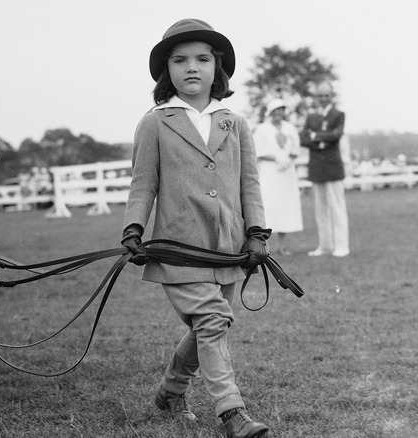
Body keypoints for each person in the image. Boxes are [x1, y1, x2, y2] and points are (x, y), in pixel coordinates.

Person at [121, 18, 270, 438]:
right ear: (165, 70)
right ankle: (231, 412)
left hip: (227, 245)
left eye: (202, 59)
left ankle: (171, 391)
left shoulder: (234, 123)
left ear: (216, 68)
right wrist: (133, 227)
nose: (192, 67)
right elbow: (142, 182)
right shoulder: (155, 122)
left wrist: (257, 232)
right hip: (177, 245)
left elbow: (250, 183)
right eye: (180, 60)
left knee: (211, 322)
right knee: (211, 318)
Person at [299, 82, 350, 257]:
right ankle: (325, 245)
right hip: (317, 167)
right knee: (320, 210)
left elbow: (336, 135)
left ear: (331, 96)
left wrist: (316, 136)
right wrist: (321, 141)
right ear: (316, 98)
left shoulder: (338, 114)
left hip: (333, 167)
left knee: (337, 208)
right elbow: (303, 139)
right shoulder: (311, 117)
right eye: (320, 95)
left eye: (326, 95)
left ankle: (342, 246)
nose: (323, 98)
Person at [253, 98, 303, 255]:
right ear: (270, 112)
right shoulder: (262, 129)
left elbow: (295, 148)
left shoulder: (289, 128)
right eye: (275, 110)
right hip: (270, 172)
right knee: (269, 207)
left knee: (285, 207)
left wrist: (289, 160)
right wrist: (276, 158)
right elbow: (259, 152)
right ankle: (264, 246)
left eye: (281, 110)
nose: (278, 113)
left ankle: (283, 245)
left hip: (287, 173)